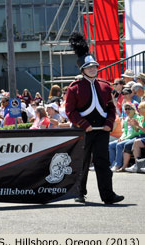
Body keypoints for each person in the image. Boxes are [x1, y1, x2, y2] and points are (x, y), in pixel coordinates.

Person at [65, 32, 124, 204]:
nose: (93, 69)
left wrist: (108, 123)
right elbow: (70, 111)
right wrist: (84, 124)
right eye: (89, 67)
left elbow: (111, 108)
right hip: (83, 131)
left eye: (95, 67)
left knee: (103, 163)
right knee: (82, 163)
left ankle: (108, 195)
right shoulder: (74, 88)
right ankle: (79, 193)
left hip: (102, 131)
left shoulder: (105, 86)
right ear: (82, 69)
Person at [109, 103, 140, 171]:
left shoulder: (137, 118)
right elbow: (125, 131)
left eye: (129, 108)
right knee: (110, 145)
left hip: (134, 137)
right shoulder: (126, 119)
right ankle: (111, 164)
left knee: (119, 145)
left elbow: (137, 132)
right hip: (126, 138)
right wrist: (122, 137)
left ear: (134, 109)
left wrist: (125, 138)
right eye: (125, 109)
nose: (127, 110)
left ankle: (118, 164)